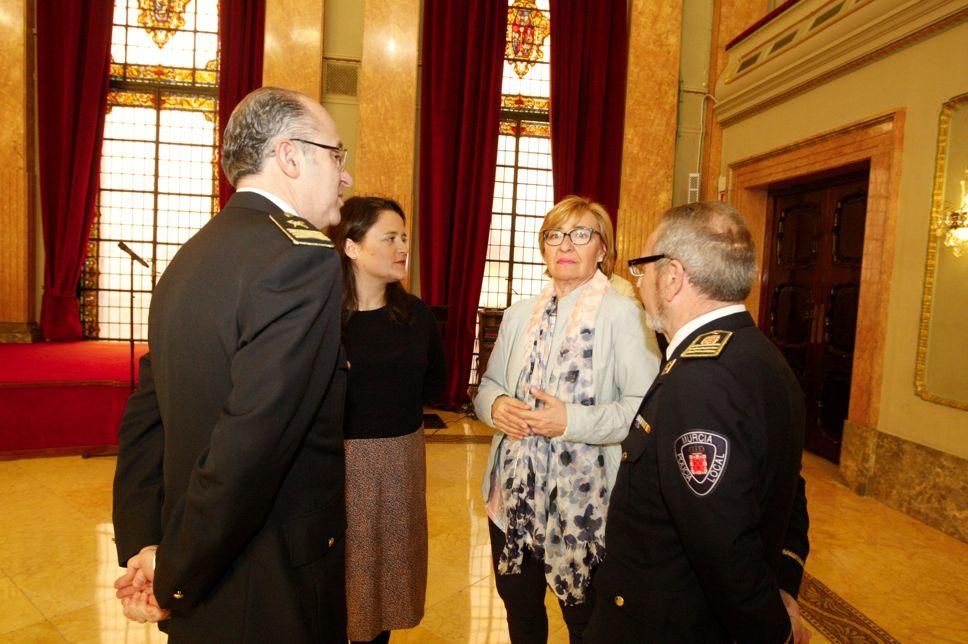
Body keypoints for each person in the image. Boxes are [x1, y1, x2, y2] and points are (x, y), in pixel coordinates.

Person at [111, 86, 354, 642]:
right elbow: (252, 444)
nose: (345, 176)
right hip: (266, 586)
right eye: (336, 155)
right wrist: (171, 572)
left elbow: (145, 422)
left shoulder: (191, 256)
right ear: (290, 155)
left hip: (199, 572)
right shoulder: (302, 260)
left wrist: (148, 547)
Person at [584, 201, 811, 643]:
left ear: (671, 277)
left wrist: (774, 629)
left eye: (642, 269)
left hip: (668, 623)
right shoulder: (762, 357)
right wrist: (783, 583)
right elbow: (787, 489)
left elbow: (722, 543)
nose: (638, 284)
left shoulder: (700, 381)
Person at [474, 195, 660, 643]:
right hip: (512, 500)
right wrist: (497, 407)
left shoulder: (626, 314)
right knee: (520, 610)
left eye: (581, 234)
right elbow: (487, 387)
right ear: (544, 247)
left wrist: (569, 421)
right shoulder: (521, 313)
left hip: (587, 505)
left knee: (587, 622)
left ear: (603, 249)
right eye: (555, 234)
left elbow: (643, 408)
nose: (566, 244)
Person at [328, 196, 446, 644]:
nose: (402, 247)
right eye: (390, 237)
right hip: (338, 462)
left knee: (387, 580)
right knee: (341, 578)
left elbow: (434, 383)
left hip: (400, 460)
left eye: (404, 237)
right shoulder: (322, 316)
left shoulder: (416, 316)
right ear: (352, 247)